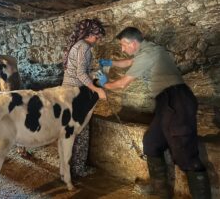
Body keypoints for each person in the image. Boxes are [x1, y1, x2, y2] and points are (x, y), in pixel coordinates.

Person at [97, 27, 211, 198]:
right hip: (166, 102)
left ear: (133, 43)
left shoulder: (148, 54)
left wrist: (104, 84)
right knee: (152, 143)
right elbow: (128, 63)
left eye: (123, 45)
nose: (122, 49)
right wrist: (110, 63)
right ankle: (161, 193)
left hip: (176, 100)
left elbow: (122, 84)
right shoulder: (148, 50)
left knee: (185, 154)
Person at [63, 18, 107, 178]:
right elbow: (80, 74)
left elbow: (77, 70)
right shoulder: (85, 48)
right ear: (89, 34)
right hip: (76, 94)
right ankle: (79, 170)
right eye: (97, 37)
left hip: (66, 92)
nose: (97, 40)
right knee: (81, 131)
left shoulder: (77, 45)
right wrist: (97, 89)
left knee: (69, 131)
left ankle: (68, 168)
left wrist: (94, 72)